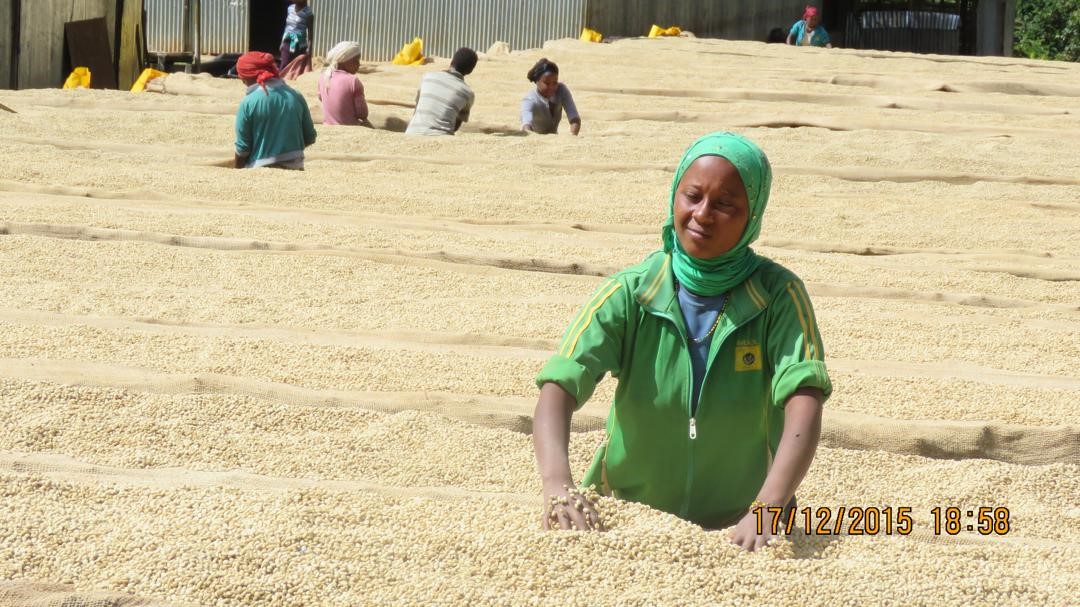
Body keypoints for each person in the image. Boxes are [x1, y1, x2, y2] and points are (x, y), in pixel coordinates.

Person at [532, 132, 831, 552]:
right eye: (692, 196)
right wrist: (556, 483)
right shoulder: (632, 292)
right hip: (629, 515)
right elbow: (559, 385)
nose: (703, 214)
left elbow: (805, 395)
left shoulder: (778, 297)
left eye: (726, 204)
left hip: (744, 520)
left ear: (753, 215)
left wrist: (767, 508)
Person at [234, 52, 316, 170]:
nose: (241, 80)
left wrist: (238, 172)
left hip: (260, 168)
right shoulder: (296, 96)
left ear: (248, 75)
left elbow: (243, 149)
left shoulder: (248, 103)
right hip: (296, 167)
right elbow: (310, 137)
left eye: (241, 76)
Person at [405, 48, 478, 136]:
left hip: (412, 133)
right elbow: (456, 125)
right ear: (470, 70)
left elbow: (418, 107)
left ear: (452, 61)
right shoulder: (467, 93)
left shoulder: (427, 77)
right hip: (442, 136)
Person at [520, 59, 581, 136]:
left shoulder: (561, 90)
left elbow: (574, 117)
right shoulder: (530, 100)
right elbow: (526, 125)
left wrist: (573, 135)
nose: (551, 87)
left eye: (555, 82)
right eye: (547, 83)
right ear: (537, 81)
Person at [318, 41, 371, 127]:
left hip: (327, 126)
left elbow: (321, 97)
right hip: (350, 127)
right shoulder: (353, 81)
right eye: (356, 60)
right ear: (344, 60)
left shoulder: (323, 77)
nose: (359, 64)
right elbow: (362, 114)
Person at [280, 0, 314, 70]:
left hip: (300, 45)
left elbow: (310, 33)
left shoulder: (308, 13)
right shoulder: (290, 8)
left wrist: (309, 50)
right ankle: (281, 79)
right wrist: (282, 42)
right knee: (285, 64)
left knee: (296, 68)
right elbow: (287, 26)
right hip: (288, 41)